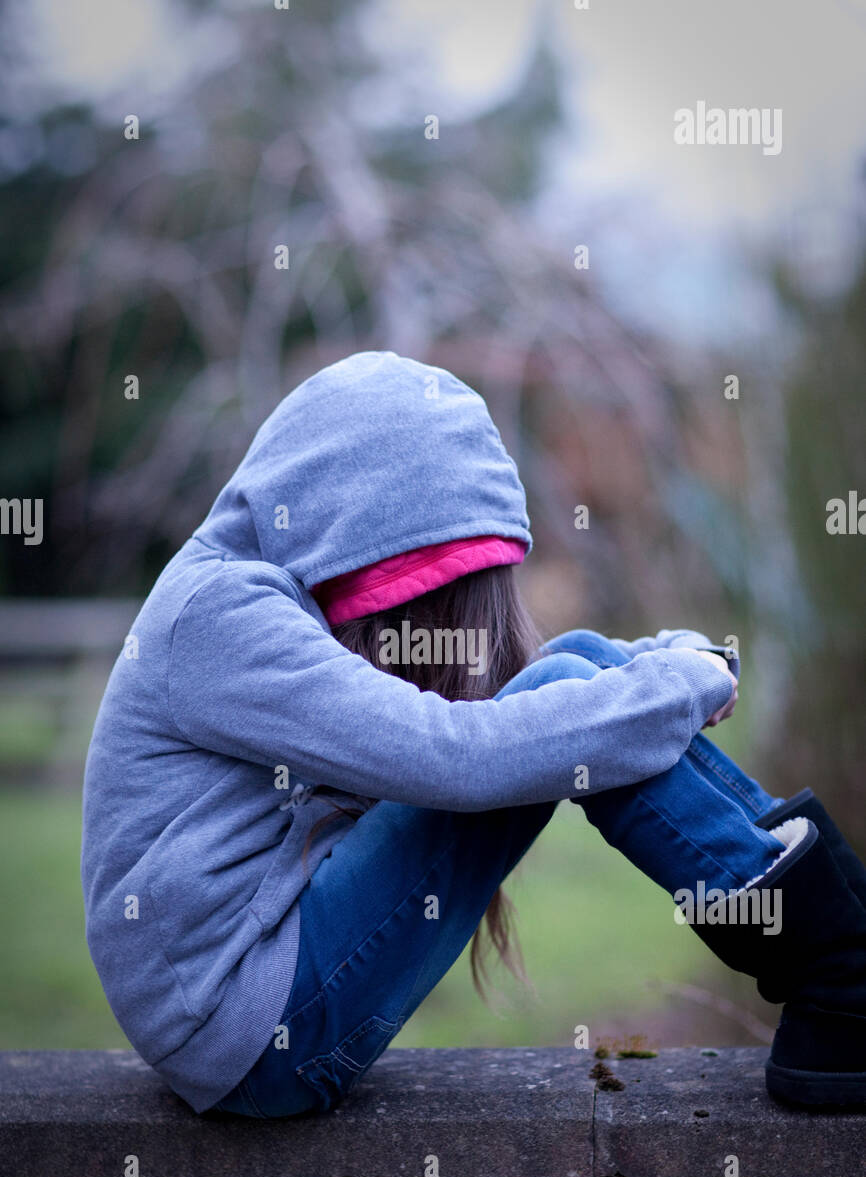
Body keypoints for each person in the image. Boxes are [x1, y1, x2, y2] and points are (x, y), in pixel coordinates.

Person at [81, 350, 866, 1118]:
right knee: (571, 690)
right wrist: (680, 681)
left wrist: (667, 667)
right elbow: (455, 758)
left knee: (579, 665)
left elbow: (539, 706)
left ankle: (843, 957)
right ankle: (842, 970)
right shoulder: (221, 615)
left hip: (257, 991)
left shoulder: (244, 591)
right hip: (245, 1036)